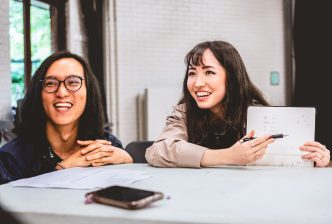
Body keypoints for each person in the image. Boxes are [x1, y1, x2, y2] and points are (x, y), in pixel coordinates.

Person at [145, 40, 330, 168]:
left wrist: (321, 162)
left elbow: (288, 163)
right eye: (192, 73)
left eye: (209, 72)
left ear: (232, 78)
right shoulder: (184, 112)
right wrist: (228, 156)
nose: (197, 82)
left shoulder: (259, 114)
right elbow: (157, 151)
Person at [0, 51, 133, 184]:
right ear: (39, 94)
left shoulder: (107, 144)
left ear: (89, 92)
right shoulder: (10, 159)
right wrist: (65, 168)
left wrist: (127, 159)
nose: (62, 93)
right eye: (50, 83)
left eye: (73, 82)